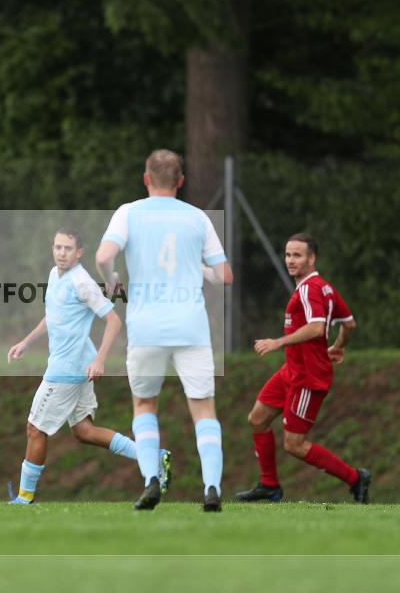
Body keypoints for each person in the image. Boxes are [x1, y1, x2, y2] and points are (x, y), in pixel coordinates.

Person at [95, 149, 233, 512]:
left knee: (144, 404)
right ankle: (212, 488)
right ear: (181, 182)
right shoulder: (198, 217)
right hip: (191, 327)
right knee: (203, 410)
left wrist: (111, 281)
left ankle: (151, 480)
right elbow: (225, 276)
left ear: (145, 179)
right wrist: (197, 270)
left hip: (146, 327)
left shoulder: (128, 212)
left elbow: (102, 256)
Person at [5, 228, 170, 504]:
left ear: (79, 253)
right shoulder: (54, 275)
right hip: (76, 366)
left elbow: (114, 321)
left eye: (68, 248)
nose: (61, 253)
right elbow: (52, 317)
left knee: (35, 428)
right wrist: (26, 341)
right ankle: (154, 456)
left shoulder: (82, 282)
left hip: (67, 369)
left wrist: (100, 359)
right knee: (84, 431)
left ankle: (25, 497)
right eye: (58, 247)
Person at [236, 233, 370, 504]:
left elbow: (317, 327)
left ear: (312, 258)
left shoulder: (310, 289)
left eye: (297, 255)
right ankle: (269, 485)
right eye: (287, 254)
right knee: (258, 418)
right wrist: (338, 346)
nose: (290, 260)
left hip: (308, 377)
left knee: (294, 444)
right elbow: (349, 323)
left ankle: (356, 478)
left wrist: (278, 342)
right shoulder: (325, 288)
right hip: (292, 370)